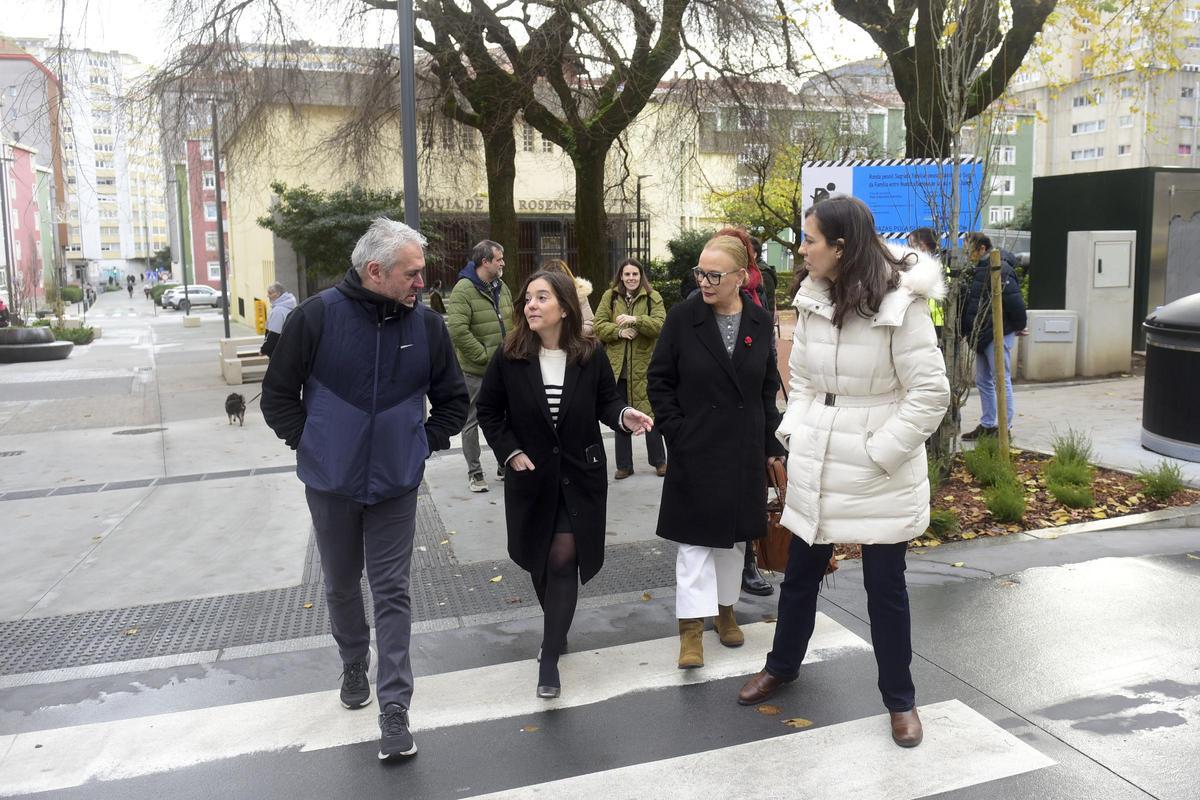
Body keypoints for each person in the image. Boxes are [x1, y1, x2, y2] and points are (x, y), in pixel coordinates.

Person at [736, 195, 949, 749]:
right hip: (819, 455)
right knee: (799, 573)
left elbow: (930, 394)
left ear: (841, 246)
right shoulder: (812, 297)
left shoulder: (903, 302)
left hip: (880, 465)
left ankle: (900, 701)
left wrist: (881, 451)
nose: (801, 249)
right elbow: (802, 377)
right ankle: (782, 665)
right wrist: (795, 432)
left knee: (886, 588)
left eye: (809, 240)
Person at [261, 217, 469, 761]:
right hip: (331, 484)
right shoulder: (315, 317)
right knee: (340, 583)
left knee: (393, 590)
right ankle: (354, 657)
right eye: (413, 273)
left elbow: (453, 400)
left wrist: (422, 442)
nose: (421, 282)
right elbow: (277, 396)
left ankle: (394, 706)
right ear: (375, 271)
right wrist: (311, 443)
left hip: (397, 485)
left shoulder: (427, 328)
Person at [476, 270, 652, 698]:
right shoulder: (510, 354)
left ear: (564, 307)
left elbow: (607, 402)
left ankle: (550, 654)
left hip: (580, 474)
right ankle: (559, 629)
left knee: (562, 558)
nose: (531, 305)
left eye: (542, 297)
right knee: (540, 561)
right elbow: (489, 411)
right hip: (530, 476)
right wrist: (510, 451)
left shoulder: (588, 353)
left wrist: (625, 416)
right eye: (528, 298)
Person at [647, 232, 785, 670]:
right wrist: (678, 433)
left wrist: (769, 445)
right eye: (699, 273)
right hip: (696, 448)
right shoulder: (683, 316)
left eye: (714, 274)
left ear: (741, 277)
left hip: (742, 449)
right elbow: (659, 381)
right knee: (693, 545)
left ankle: (726, 613)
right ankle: (690, 630)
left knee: (733, 543)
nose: (703, 282)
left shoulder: (760, 323)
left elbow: (766, 390)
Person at [446, 240, 515, 493]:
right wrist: (484, 356)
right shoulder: (463, 290)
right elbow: (458, 331)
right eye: (498, 259)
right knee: (472, 421)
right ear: (485, 261)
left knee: (507, 417)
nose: (502, 263)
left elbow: (512, 320)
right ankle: (474, 473)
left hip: (505, 368)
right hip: (476, 370)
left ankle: (504, 463)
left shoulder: (501, 286)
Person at [593, 258, 667, 479]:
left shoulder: (653, 297)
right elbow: (598, 325)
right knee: (620, 416)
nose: (631, 278)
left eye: (635, 274)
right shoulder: (610, 297)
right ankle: (624, 465)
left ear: (640, 276)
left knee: (649, 415)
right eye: (627, 274)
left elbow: (661, 326)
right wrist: (619, 332)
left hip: (645, 368)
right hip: (617, 370)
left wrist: (636, 320)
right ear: (621, 277)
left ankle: (659, 461)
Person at [960, 232, 1027, 441]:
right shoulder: (977, 269)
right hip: (982, 334)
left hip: (997, 332)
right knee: (983, 380)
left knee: (1000, 379)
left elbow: (1014, 302)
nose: (966, 253)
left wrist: (1017, 326)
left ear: (981, 248)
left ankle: (1004, 426)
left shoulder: (999, 268)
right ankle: (989, 424)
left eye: (969, 248)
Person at [539, 258, 595, 336]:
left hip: (573, 343)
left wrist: (572, 331)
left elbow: (589, 324)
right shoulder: (536, 298)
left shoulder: (579, 294)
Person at [907, 228, 944, 339]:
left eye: (911, 245)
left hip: (931, 321)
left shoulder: (927, 269)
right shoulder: (942, 264)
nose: (908, 249)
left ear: (922, 246)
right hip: (935, 321)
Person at [260, 282, 297, 357]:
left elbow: (274, 334)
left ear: (278, 294)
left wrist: (264, 350)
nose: (267, 296)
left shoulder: (278, 311)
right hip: (291, 350)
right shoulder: (290, 306)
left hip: (279, 353)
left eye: (270, 293)